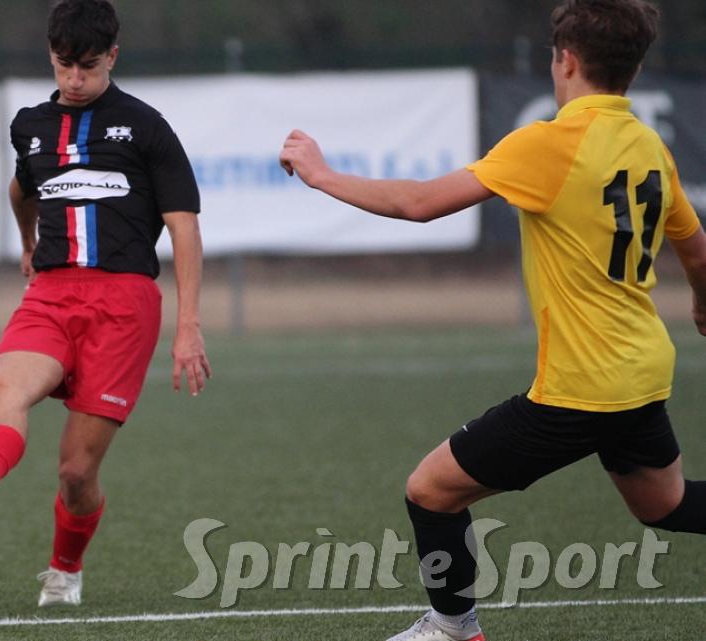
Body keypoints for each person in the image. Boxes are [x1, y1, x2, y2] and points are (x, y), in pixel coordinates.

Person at [279, 1, 706, 639]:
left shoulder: (549, 142)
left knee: (431, 491)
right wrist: (700, 302)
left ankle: (454, 627)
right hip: (643, 372)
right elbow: (696, 249)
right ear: (636, 68)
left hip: (581, 389)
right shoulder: (650, 146)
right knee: (665, 504)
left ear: (565, 60)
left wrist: (321, 175)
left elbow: (419, 203)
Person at [0, 0, 210, 608]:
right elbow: (21, 189)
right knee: (3, 390)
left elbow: (184, 227)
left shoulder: (146, 127)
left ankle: (65, 570)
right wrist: (29, 244)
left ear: (113, 56)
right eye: (63, 65)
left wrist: (187, 327)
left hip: (124, 305)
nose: (75, 79)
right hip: (52, 293)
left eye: (88, 66)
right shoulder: (31, 125)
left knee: (76, 473)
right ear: (51, 57)